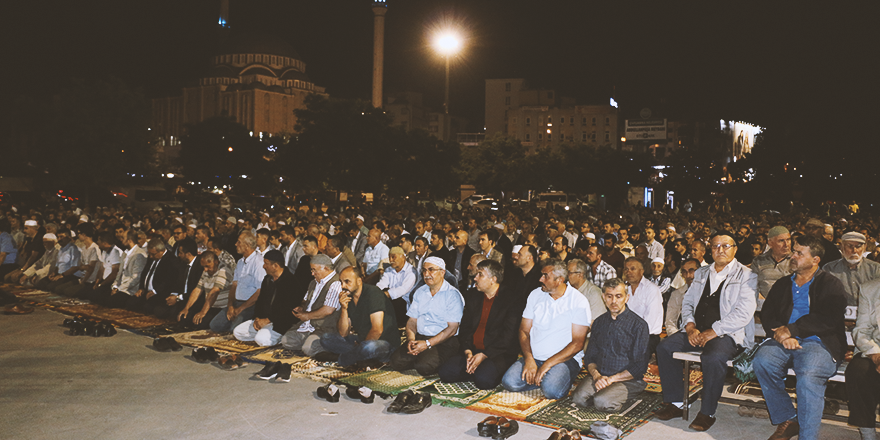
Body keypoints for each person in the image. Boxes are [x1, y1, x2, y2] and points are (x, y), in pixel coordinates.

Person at [655, 234, 757, 432]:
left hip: (728, 333)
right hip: (698, 330)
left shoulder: (746, 275)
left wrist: (715, 331)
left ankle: (707, 412)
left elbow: (744, 313)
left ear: (734, 249)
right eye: (715, 246)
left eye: (725, 246)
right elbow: (688, 302)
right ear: (710, 250)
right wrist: (690, 326)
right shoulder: (702, 273)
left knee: (713, 357)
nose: (720, 250)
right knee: (665, 347)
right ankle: (676, 403)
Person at [754, 234, 847, 440]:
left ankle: (807, 436)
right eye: (793, 251)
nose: (792, 256)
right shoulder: (783, 284)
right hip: (785, 339)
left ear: (815, 259)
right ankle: (788, 418)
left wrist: (793, 330)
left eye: (798, 253)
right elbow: (768, 314)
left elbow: (829, 319)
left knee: (808, 374)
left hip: (820, 342)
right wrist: (782, 335)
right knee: (763, 361)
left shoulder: (831, 284)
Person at [500, 259, 591, 400]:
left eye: (545, 276)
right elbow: (524, 331)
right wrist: (529, 359)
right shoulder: (535, 295)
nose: (540, 279)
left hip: (564, 360)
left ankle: (548, 379)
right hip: (535, 357)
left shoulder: (578, 301)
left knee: (551, 391)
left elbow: (578, 343)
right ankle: (541, 378)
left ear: (559, 280)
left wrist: (547, 365)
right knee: (509, 382)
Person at [439, 260, 521, 389]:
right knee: (445, 373)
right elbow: (465, 327)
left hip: (497, 353)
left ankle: (481, 370)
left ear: (493, 279)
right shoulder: (473, 296)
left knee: (484, 381)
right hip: (472, 350)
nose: (475, 278)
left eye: (480, 275)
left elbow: (508, 336)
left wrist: (484, 355)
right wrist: (468, 352)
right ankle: (476, 368)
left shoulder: (511, 299)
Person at [572, 278, 649, 411]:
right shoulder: (599, 323)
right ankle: (606, 394)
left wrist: (611, 380)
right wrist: (597, 376)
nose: (614, 301)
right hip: (600, 376)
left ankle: (618, 396)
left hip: (627, 379)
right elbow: (590, 356)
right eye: (609, 296)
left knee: (602, 401)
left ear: (626, 298)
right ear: (603, 297)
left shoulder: (639, 326)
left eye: (619, 296)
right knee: (578, 399)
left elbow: (639, 366)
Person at [389, 257, 464, 376]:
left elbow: (452, 329)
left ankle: (425, 357)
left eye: (431, 270)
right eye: (424, 270)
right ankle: (420, 354)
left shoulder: (452, 295)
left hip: (443, 340)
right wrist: (411, 340)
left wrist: (427, 344)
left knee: (424, 367)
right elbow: (412, 320)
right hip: (421, 336)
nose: (426, 274)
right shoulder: (420, 292)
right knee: (395, 361)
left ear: (442, 272)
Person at [320, 266, 399, 367]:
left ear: (359, 281)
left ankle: (342, 358)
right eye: (341, 282)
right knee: (326, 338)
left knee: (369, 348)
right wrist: (344, 308)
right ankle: (362, 358)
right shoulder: (349, 297)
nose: (343, 286)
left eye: (347, 281)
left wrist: (362, 346)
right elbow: (343, 333)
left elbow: (377, 330)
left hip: (383, 343)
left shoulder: (373, 293)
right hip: (362, 340)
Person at [233, 250, 300, 347]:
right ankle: (265, 334)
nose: (264, 266)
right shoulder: (267, 279)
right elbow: (260, 301)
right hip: (263, 319)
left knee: (261, 340)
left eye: (266, 263)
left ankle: (279, 337)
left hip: (279, 322)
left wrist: (268, 320)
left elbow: (287, 310)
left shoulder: (290, 282)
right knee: (238, 332)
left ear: (276, 266)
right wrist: (257, 318)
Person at [280, 254, 342, 356]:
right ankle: (310, 342)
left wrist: (307, 316)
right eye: (311, 270)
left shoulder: (336, 283)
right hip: (308, 326)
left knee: (308, 348)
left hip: (325, 328)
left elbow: (328, 310)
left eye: (314, 270)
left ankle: (325, 345)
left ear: (326, 268)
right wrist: (302, 308)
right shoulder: (313, 283)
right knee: (286, 341)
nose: (312, 273)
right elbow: (305, 300)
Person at [209, 232, 265, 333]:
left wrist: (240, 309)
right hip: (236, 302)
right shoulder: (240, 262)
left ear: (247, 245)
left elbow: (259, 292)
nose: (235, 244)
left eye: (239, 242)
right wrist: (230, 305)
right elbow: (234, 285)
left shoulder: (259, 262)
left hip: (251, 305)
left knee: (234, 330)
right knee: (214, 325)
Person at [847, 277, 880, 440]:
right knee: (858, 372)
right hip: (875, 347)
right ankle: (867, 432)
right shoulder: (870, 289)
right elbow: (862, 330)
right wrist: (875, 355)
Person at [177, 251, 231, 329]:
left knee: (200, 322)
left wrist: (203, 312)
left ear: (216, 262)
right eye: (203, 267)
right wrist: (186, 308)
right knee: (184, 317)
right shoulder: (205, 271)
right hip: (209, 306)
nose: (205, 269)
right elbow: (197, 289)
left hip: (222, 307)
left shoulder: (224, 270)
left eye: (207, 266)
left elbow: (214, 292)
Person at [823, 231, 880, 306]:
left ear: (864, 248)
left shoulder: (876, 269)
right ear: (842, 248)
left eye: (858, 246)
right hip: (838, 313)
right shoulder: (829, 268)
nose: (854, 251)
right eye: (850, 246)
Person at [621, 257, 663, 354]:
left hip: (647, 336)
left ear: (642, 271)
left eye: (632, 269)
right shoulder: (624, 289)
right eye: (626, 269)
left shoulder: (652, 290)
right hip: (626, 334)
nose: (628, 272)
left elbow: (650, 322)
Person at [130, 238, 180, 314]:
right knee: (131, 303)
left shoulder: (171, 260)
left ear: (161, 251)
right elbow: (144, 273)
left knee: (148, 308)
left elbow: (168, 281)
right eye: (149, 254)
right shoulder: (152, 257)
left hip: (160, 292)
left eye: (153, 254)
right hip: (147, 291)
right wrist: (141, 288)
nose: (150, 256)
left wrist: (155, 291)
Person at [376, 246, 417, 325]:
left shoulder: (411, 271)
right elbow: (382, 284)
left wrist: (386, 294)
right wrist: (375, 292)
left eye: (393, 257)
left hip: (404, 305)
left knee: (396, 300)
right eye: (389, 257)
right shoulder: (389, 270)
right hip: (389, 300)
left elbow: (403, 289)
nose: (391, 260)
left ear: (402, 257)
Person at [751, 226, 794, 300]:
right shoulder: (759, 261)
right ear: (770, 243)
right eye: (781, 241)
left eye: (788, 240)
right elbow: (752, 286)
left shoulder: (796, 261)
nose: (786, 244)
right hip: (762, 306)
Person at [664, 259, 700, 336]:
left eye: (691, 271)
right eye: (684, 272)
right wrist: (675, 337)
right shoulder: (676, 294)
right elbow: (670, 322)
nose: (688, 276)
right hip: (681, 335)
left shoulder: (708, 292)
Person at [567, 259, 605, 326]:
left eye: (569, 273)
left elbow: (596, 322)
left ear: (580, 275)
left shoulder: (594, 293)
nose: (567, 275)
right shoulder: (567, 290)